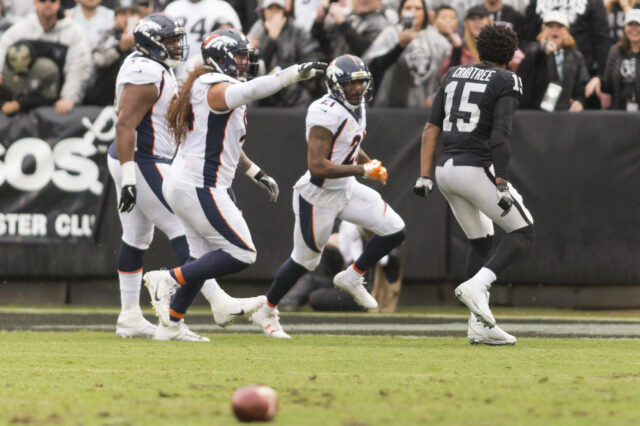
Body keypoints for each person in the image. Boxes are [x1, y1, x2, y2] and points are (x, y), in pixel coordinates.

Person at [141, 28, 326, 341]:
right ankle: (166, 279)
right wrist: (290, 75)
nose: (245, 62)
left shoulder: (206, 85)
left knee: (200, 260)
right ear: (222, 56)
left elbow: (226, 142)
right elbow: (249, 92)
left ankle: (170, 325)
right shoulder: (212, 86)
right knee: (242, 252)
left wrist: (255, 172)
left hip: (186, 181)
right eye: (240, 56)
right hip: (198, 184)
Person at [110, 15, 273, 341]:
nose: (176, 47)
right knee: (184, 228)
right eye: (169, 41)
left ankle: (130, 315)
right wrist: (130, 177)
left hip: (140, 158)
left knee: (137, 238)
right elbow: (124, 125)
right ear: (151, 42)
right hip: (142, 159)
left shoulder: (156, 68)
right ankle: (217, 301)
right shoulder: (146, 71)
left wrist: (252, 170)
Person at [249, 55, 406, 338]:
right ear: (335, 85)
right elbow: (317, 166)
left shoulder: (357, 106)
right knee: (304, 261)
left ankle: (353, 275)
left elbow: (350, 143)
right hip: (317, 196)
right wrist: (363, 170)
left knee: (395, 230)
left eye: (361, 82)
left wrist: (371, 164)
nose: (358, 89)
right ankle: (267, 309)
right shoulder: (324, 111)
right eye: (351, 83)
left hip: (344, 188)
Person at [414, 24, 534, 345]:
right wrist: (502, 181)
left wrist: (424, 175)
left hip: (444, 172)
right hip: (473, 167)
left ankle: (478, 325)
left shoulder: (453, 73)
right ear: (510, 55)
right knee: (523, 232)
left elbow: (430, 129)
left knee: (481, 241)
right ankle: (477, 284)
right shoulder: (507, 79)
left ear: (479, 49)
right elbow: (501, 133)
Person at [0, 0, 90, 115]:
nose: (48, 4)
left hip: (54, 101)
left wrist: (69, 98)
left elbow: (78, 67)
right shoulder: (20, 29)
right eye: (42, 0)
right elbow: (2, 50)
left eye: (52, 1)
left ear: (58, 3)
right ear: (35, 3)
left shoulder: (74, 32)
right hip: (20, 94)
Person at [364, 0, 450, 107]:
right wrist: (400, 46)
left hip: (426, 109)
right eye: (408, 8)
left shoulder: (437, 39)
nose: (413, 12)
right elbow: (374, 66)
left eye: (418, 8)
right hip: (390, 106)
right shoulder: (390, 34)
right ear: (401, 12)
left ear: (425, 13)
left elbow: (447, 72)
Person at [247, 0, 321, 106]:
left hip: (296, 101)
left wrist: (280, 70)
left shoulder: (298, 32)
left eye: (277, 8)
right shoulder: (258, 34)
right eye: (270, 8)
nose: (273, 12)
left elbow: (312, 64)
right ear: (263, 12)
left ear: (284, 11)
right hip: (266, 103)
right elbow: (256, 71)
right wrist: (272, 39)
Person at [517, 11, 589, 111]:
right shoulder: (534, 50)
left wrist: (579, 101)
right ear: (543, 31)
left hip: (565, 113)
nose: (555, 30)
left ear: (566, 32)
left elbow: (582, 86)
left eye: (559, 26)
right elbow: (523, 74)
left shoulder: (576, 57)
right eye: (550, 26)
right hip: (536, 112)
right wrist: (542, 49)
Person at [164, 0, 242, 76]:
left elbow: (238, 39)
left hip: (213, 67)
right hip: (176, 69)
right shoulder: (172, 8)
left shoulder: (223, 7)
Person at [86, 0, 139, 106]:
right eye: (123, 14)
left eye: (132, 14)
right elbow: (99, 59)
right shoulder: (108, 35)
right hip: (106, 99)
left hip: (135, 98)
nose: (128, 18)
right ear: (115, 18)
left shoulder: (145, 38)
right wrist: (120, 48)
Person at [311, 0, 393, 61]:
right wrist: (318, 22)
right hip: (336, 76)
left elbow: (369, 53)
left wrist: (343, 24)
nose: (363, 0)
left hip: (362, 79)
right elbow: (323, 46)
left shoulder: (384, 24)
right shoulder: (347, 17)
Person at [0, 40, 59, 115]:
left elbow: (49, 97)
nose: (19, 63)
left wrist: (20, 103)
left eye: (24, 58)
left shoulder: (47, 69)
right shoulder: (3, 70)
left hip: (37, 111)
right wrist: (3, 104)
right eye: (13, 59)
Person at [601, 9, 640, 110]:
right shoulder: (615, 51)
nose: (634, 28)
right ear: (625, 28)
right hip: (619, 110)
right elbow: (607, 82)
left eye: (637, 24)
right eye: (630, 24)